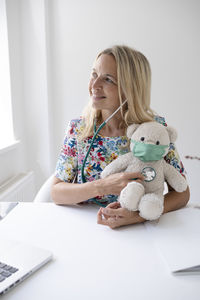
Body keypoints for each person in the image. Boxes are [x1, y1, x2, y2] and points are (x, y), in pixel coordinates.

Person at [51, 45, 190, 229]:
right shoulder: (78, 129)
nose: (94, 85)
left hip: (139, 230)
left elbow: (182, 193)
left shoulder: (154, 130)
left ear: (130, 89)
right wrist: (103, 186)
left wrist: (137, 216)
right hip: (85, 227)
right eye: (94, 74)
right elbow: (56, 191)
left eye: (108, 79)